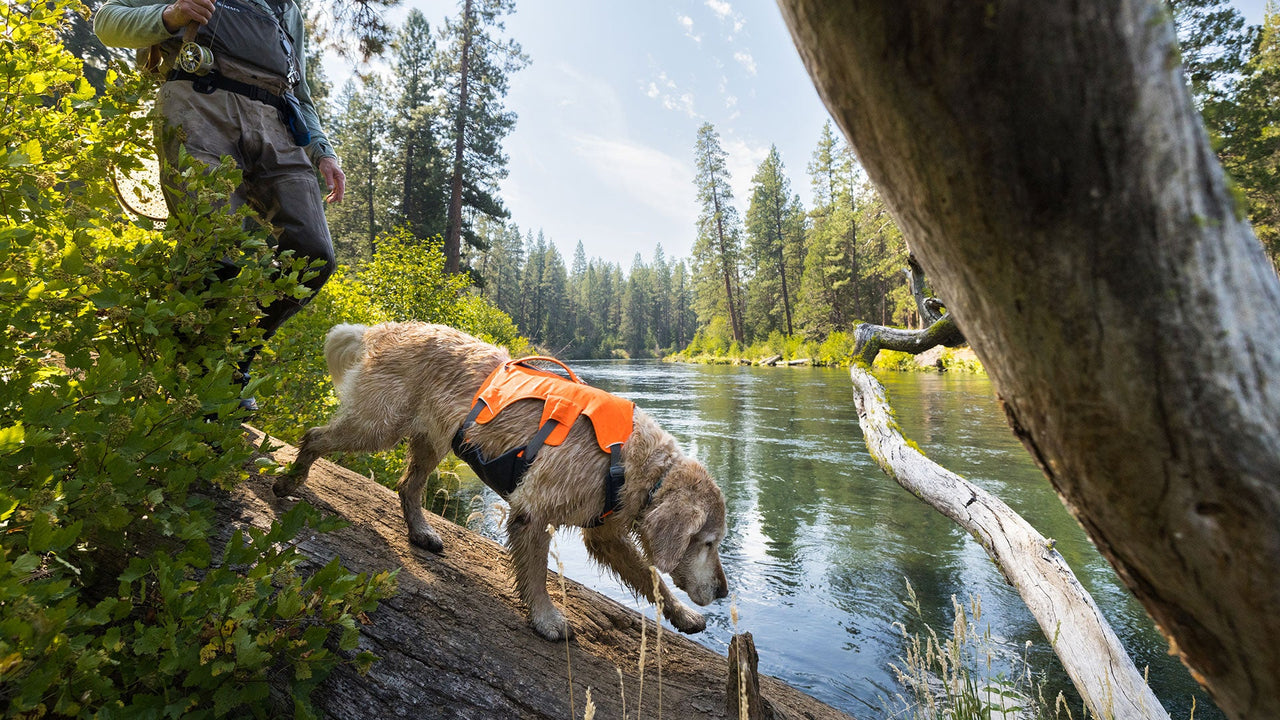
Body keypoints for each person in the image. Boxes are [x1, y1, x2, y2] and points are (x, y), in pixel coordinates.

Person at [95, 0, 345, 412]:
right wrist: (169, 17)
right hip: (199, 101)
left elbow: (300, 90)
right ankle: (193, 389)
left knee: (313, 253)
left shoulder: (287, 9)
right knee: (215, 249)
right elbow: (107, 21)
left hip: (278, 121)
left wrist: (323, 151)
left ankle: (232, 361)